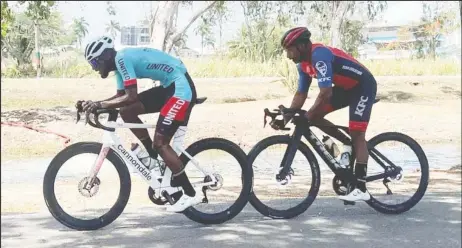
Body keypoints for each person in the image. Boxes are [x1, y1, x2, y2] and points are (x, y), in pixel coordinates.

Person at [79, 36, 202, 212]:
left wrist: (99, 105)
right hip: (169, 86)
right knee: (127, 111)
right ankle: (153, 156)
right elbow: (121, 98)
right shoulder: (119, 66)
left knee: (161, 143)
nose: (94, 67)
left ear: (105, 56)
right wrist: (95, 103)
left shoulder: (122, 59)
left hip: (180, 87)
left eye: (94, 62)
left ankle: (190, 194)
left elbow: (131, 97)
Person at [272, 27, 377, 202]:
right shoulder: (303, 65)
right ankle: (344, 148)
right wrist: (286, 119)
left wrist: (307, 116)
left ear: (303, 45)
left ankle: (361, 187)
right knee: (314, 117)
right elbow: (300, 94)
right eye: (286, 51)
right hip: (345, 88)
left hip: (363, 86)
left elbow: (325, 93)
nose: (288, 56)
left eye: (290, 50)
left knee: (357, 133)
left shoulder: (319, 56)